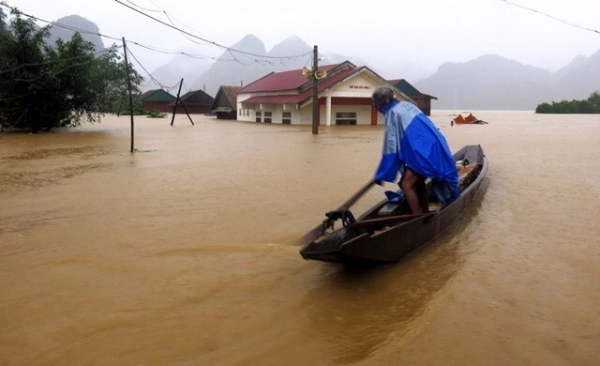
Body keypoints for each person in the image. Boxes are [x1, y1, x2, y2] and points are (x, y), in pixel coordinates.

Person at [371, 86, 459, 214]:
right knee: (418, 181)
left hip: (423, 153)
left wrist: (381, 175)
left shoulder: (392, 113)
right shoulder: (406, 105)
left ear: (379, 104)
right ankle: (424, 211)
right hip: (436, 145)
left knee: (406, 185)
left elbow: (391, 148)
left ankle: (417, 218)